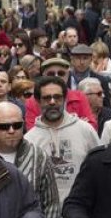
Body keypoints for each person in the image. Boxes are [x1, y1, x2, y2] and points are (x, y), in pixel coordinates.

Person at [24, 76, 101, 204]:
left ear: (64, 99)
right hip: (44, 210)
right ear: (38, 101)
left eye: (57, 97)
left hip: (82, 207)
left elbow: (100, 168)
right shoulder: (29, 140)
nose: (52, 102)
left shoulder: (85, 130)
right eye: (47, 98)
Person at [0, 101, 61, 218]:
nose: (11, 131)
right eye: (4, 126)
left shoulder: (39, 156)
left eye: (17, 125)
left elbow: (51, 204)